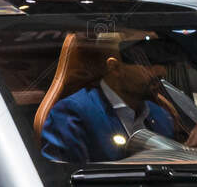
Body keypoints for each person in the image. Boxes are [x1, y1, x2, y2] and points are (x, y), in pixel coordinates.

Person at [40, 35, 174, 163]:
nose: (162, 72)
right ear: (115, 68)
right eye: (148, 63)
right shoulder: (72, 114)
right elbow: (63, 181)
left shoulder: (161, 115)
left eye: (162, 63)